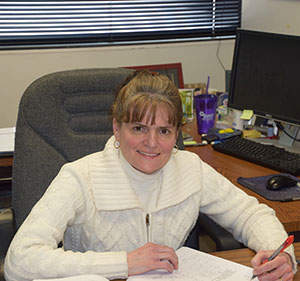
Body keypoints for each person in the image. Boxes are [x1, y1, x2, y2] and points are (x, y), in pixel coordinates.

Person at [4, 70, 297, 281]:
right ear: (117, 128)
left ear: (176, 134)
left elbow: (251, 214)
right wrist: (125, 262)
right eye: (139, 128)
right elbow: (20, 260)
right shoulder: (80, 177)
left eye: (164, 131)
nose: (152, 143)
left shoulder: (190, 169)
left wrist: (281, 256)